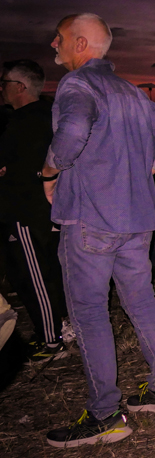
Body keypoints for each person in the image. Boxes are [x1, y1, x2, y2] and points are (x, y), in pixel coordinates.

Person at [41, 13, 155, 447]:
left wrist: (50, 171)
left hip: (92, 219)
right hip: (138, 218)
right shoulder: (130, 91)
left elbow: (71, 131)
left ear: (81, 44)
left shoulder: (78, 85)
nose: (54, 45)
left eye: (60, 38)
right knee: (140, 301)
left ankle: (105, 414)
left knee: (88, 312)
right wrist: (149, 167)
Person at [0, 59, 69, 360]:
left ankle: (52, 340)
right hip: (42, 210)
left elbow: (24, 168)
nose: (1, 89)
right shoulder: (47, 115)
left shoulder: (26, 121)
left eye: (4, 83)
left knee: (34, 275)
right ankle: (59, 329)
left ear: (20, 87)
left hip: (26, 212)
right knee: (47, 271)